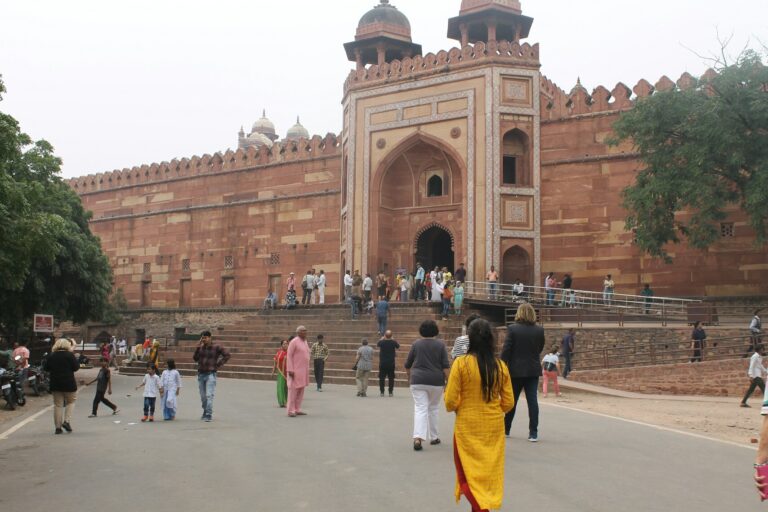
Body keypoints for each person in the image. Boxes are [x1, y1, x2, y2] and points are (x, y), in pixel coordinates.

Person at [445, 318, 514, 512]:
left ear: (470, 339)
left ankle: (480, 509)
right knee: (487, 474)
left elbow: (450, 401)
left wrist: (461, 406)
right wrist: (492, 410)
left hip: (467, 426)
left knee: (466, 474)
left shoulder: (461, 364)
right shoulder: (500, 366)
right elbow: (508, 402)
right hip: (493, 428)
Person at [500, 303, 545, 442]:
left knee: (511, 401)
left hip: (515, 369)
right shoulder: (539, 330)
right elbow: (540, 347)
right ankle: (533, 433)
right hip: (532, 369)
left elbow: (506, 349)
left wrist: (502, 364)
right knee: (532, 401)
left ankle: (506, 429)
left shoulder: (513, 329)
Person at [405, 320, 451, 451]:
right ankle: (434, 437)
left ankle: (418, 438)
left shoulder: (416, 344)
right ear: (435, 331)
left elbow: (408, 364)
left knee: (420, 408)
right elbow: (445, 366)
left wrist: (409, 377)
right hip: (436, 381)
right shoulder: (440, 345)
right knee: (433, 408)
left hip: (418, 379)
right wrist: (449, 381)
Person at [192, 330, 230, 422]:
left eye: (205, 338)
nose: (204, 340)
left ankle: (208, 414)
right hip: (201, 374)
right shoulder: (200, 348)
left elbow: (227, 355)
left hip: (210, 374)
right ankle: (205, 411)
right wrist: (197, 347)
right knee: (203, 396)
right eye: (202, 338)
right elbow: (195, 359)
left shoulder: (216, 347)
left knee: (209, 395)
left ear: (210, 337)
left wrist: (218, 365)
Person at [44, 338, 80, 435]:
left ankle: (58, 428)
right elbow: (76, 368)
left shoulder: (51, 355)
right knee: (71, 401)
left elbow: (46, 368)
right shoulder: (69, 355)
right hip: (69, 382)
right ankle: (66, 421)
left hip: (55, 383)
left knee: (58, 405)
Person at [286, 326, 310, 417]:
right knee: (293, 391)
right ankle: (290, 410)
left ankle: (297, 409)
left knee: (301, 390)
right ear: (298, 332)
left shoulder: (305, 342)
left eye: (306, 331)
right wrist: (290, 369)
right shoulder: (294, 342)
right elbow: (289, 356)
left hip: (303, 371)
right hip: (295, 371)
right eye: (303, 331)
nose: (305, 333)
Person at [377, 331, 400, 397]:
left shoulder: (381, 342)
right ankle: (390, 392)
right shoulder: (393, 342)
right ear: (391, 336)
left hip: (382, 363)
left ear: (385, 335)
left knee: (382, 378)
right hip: (391, 363)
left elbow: (377, 344)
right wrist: (393, 339)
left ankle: (382, 392)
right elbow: (398, 346)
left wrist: (381, 339)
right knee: (391, 378)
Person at [271, 339, 289, 407]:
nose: (285, 345)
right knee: (281, 387)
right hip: (281, 373)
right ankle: (282, 402)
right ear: (281, 345)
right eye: (284, 344)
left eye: (286, 343)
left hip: (288, 372)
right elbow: (275, 363)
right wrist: (273, 371)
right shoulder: (279, 353)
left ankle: (287, 401)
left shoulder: (290, 353)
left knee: (287, 388)